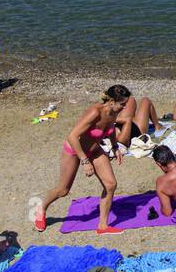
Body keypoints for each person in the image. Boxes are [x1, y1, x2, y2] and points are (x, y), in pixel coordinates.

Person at [34, 86, 133, 234]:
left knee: (111, 184)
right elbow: (72, 136)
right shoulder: (95, 112)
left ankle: (103, 226)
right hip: (75, 150)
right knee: (63, 190)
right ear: (112, 101)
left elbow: (111, 128)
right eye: (122, 104)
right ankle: (41, 208)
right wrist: (85, 161)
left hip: (95, 150)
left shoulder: (114, 112)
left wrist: (115, 147)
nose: (124, 107)